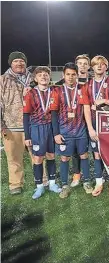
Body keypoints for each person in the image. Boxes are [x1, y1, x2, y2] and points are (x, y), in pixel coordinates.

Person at [1, 51, 46, 195]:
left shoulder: (34, 78)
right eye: (16, 61)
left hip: (34, 124)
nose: (19, 63)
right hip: (11, 125)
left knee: (38, 155)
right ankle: (16, 184)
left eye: (22, 61)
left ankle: (43, 179)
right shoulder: (3, 79)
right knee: (14, 157)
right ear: (11, 63)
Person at [80, 55, 109, 197]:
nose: (99, 66)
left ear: (106, 66)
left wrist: (105, 100)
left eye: (102, 64)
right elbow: (86, 108)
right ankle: (99, 182)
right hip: (94, 123)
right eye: (96, 64)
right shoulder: (87, 86)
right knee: (97, 154)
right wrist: (90, 128)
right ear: (92, 67)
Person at [50, 63, 92, 198]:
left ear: (77, 75)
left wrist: (89, 128)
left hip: (80, 131)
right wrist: (56, 133)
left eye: (73, 74)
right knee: (64, 157)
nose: (70, 77)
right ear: (63, 75)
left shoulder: (83, 89)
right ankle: (64, 185)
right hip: (64, 132)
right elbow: (54, 113)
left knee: (84, 155)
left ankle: (86, 182)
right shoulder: (57, 91)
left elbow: (86, 108)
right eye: (68, 74)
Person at [23, 66, 62, 199]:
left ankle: (52, 183)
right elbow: (26, 115)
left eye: (46, 74)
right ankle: (39, 186)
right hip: (37, 128)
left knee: (51, 156)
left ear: (49, 77)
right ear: (35, 78)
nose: (43, 77)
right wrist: (27, 136)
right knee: (38, 158)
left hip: (51, 127)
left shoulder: (55, 90)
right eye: (40, 75)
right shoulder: (30, 94)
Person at [69, 54, 91, 187]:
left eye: (85, 63)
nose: (82, 65)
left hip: (92, 120)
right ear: (76, 65)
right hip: (75, 122)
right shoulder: (69, 83)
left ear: (89, 66)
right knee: (76, 151)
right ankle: (76, 175)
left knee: (96, 150)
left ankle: (102, 174)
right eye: (80, 63)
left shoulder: (93, 82)